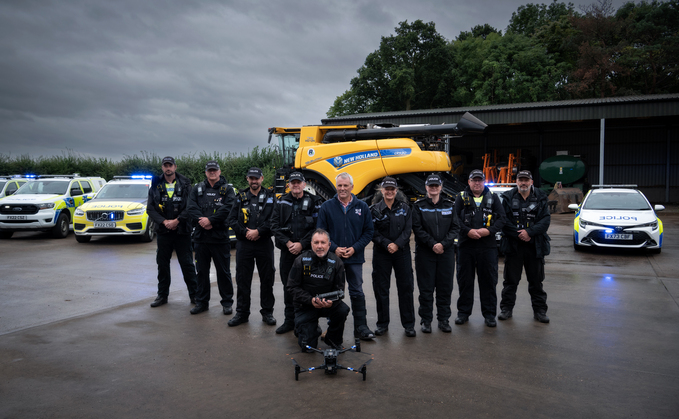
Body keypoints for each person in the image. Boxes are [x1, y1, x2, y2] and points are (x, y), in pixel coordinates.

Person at [317, 172, 375, 340]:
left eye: (345, 185)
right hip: (333, 259)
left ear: (352, 186)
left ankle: (361, 328)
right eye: (339, 186)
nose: (342, 189)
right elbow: (320, 232)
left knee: (357, 291)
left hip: (354, 258)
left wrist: (355, 248)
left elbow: (368, 231)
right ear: (336, 187)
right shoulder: (327, 207)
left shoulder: (362, 207)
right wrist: (334, 248)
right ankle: (332, 330)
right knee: (333, 293)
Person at [270, 172, 324, 334]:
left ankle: (311, 321)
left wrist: (301, 244)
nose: (295, 185)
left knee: (309, 287)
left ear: (303, 184)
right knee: (289, 287)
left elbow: (318, 227)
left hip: (307, 252)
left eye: (298, 182)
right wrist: (288, 243)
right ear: (289, 185)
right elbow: (273, 225)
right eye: (292, 182)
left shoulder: (314, 202)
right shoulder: (281, 202)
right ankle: (289, 321)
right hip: (287, 252)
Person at [454, 169, 506, 327]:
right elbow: (454, 219)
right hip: (466, 246)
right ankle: (463, 313)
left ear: (483, 182)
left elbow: (502, 218)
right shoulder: (461, 198)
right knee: (465, 281)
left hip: (487, 247)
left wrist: (488, 231)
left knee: (489, 281)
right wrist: (467, 231)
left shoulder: (493, 198)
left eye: (480, 180)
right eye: (474, 180)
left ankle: (489, 315)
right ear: (469, 182)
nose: (477, 183)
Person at [499, 170, 551, 323]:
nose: (523, 183)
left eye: (526, 180)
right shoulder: (508, 197)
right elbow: (503, 220)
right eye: (520, 180)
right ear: (516, 181)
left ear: (531, 182)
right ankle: (506, 309)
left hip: (534, 246)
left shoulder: (541, 197)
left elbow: (545, 220)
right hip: (513, 246)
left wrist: (529, 232)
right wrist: (518, 234)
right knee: (510, 281)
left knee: (536, 282)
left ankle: (540, 311)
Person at [227, 167, 276, 327]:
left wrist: (259, 232)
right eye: (251, 178)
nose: (254, 181)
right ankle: (242, 313)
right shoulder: (240, 197)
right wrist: (245, 232)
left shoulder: (270, 197)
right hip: (244, 244)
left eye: (257, 178)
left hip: (264, 243)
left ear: (262, 179)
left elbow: (275, 219)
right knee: (242, 280)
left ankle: (267, 313)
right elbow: (232, 219)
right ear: (247, 179)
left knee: (267, 279)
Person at [146, 156, 198, 307]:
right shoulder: (155, 185)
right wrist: (164, 222)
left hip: (182, 231)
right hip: (163, 232)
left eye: (170, 165)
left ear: (175, 167)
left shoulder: (186, 184)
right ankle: (162, 296)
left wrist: (177, 221)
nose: (168, 168)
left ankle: (194, 296)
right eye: (165, 166)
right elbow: (150, 208)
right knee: (162, 265)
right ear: (162, 168)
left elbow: (190, 207)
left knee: (187, 264)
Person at [286, 229, 350, 350]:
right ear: (311, 244)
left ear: (329, 245)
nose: (319, 246)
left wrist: (331, 302)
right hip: (306, 305)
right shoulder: (300, 261)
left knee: (342, 310)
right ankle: (304, 328)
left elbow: (340, 291)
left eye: (323, 242)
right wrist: (310, 300)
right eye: (316, 242)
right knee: (308, 348)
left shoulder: (337, 263)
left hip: (328, 304)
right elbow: (291, 287)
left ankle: (332, 338)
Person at [187, 160, 236, 315]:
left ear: (219, 172)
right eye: (209, 170)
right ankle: (202, 302)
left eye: (215, 170)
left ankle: (227, 303)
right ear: (206, 172)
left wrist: (211, 221)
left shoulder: (228, 190)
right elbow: (191, 207)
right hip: (201, 238)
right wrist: (203, 221)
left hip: (220, 238)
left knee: (223, 272)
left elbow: (229, 208)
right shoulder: (197, 189)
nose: (212, 172)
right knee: (201, 272)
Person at [412, 174, 460, 333]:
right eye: (430, 186)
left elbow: (455, 228)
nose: (433, 188)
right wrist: (433, 244)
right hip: (426, 253)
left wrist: (443, 244)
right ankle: (426, 321)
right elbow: (417, 229)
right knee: (426, 289)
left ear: (441, 187)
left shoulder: (450, 205)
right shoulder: (418, 206)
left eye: (436, 186)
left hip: (446, 253)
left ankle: (444, 319)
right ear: (426, 187)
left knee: (445, 288)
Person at [370, 177, 416, 337]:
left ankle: (409, 325)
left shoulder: (405, 208)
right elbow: (372, 232)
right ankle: (382, 324)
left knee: (406, 288)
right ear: (382, 191)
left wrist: (396, 244)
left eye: (392, 189)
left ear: (396, 191)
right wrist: (386, 244)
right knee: (381, 289)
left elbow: (408, 229)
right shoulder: (374, 209)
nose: (389, 192)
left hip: (401, 253)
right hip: (382, 253)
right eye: (386, 189)